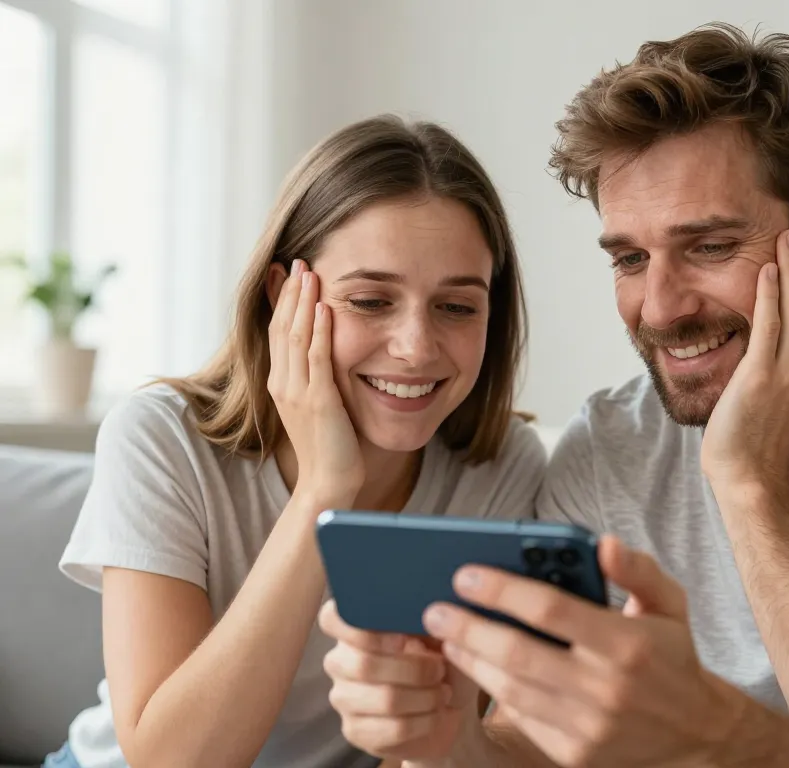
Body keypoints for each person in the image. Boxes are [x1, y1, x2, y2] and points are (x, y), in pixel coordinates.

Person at [319, 22, 789, 768]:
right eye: (629, 258)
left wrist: (750, 482)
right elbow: (538, 745)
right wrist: (454, 744)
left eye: (710, 247)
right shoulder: (610, 446)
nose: (659, 309)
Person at [47, 115, 546, 768]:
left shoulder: (499, 467)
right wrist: (322, 492)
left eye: (457, 307)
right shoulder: (158, 437)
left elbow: (432, 744)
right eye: (370, 300)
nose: (417, 348)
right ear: (286, 296)